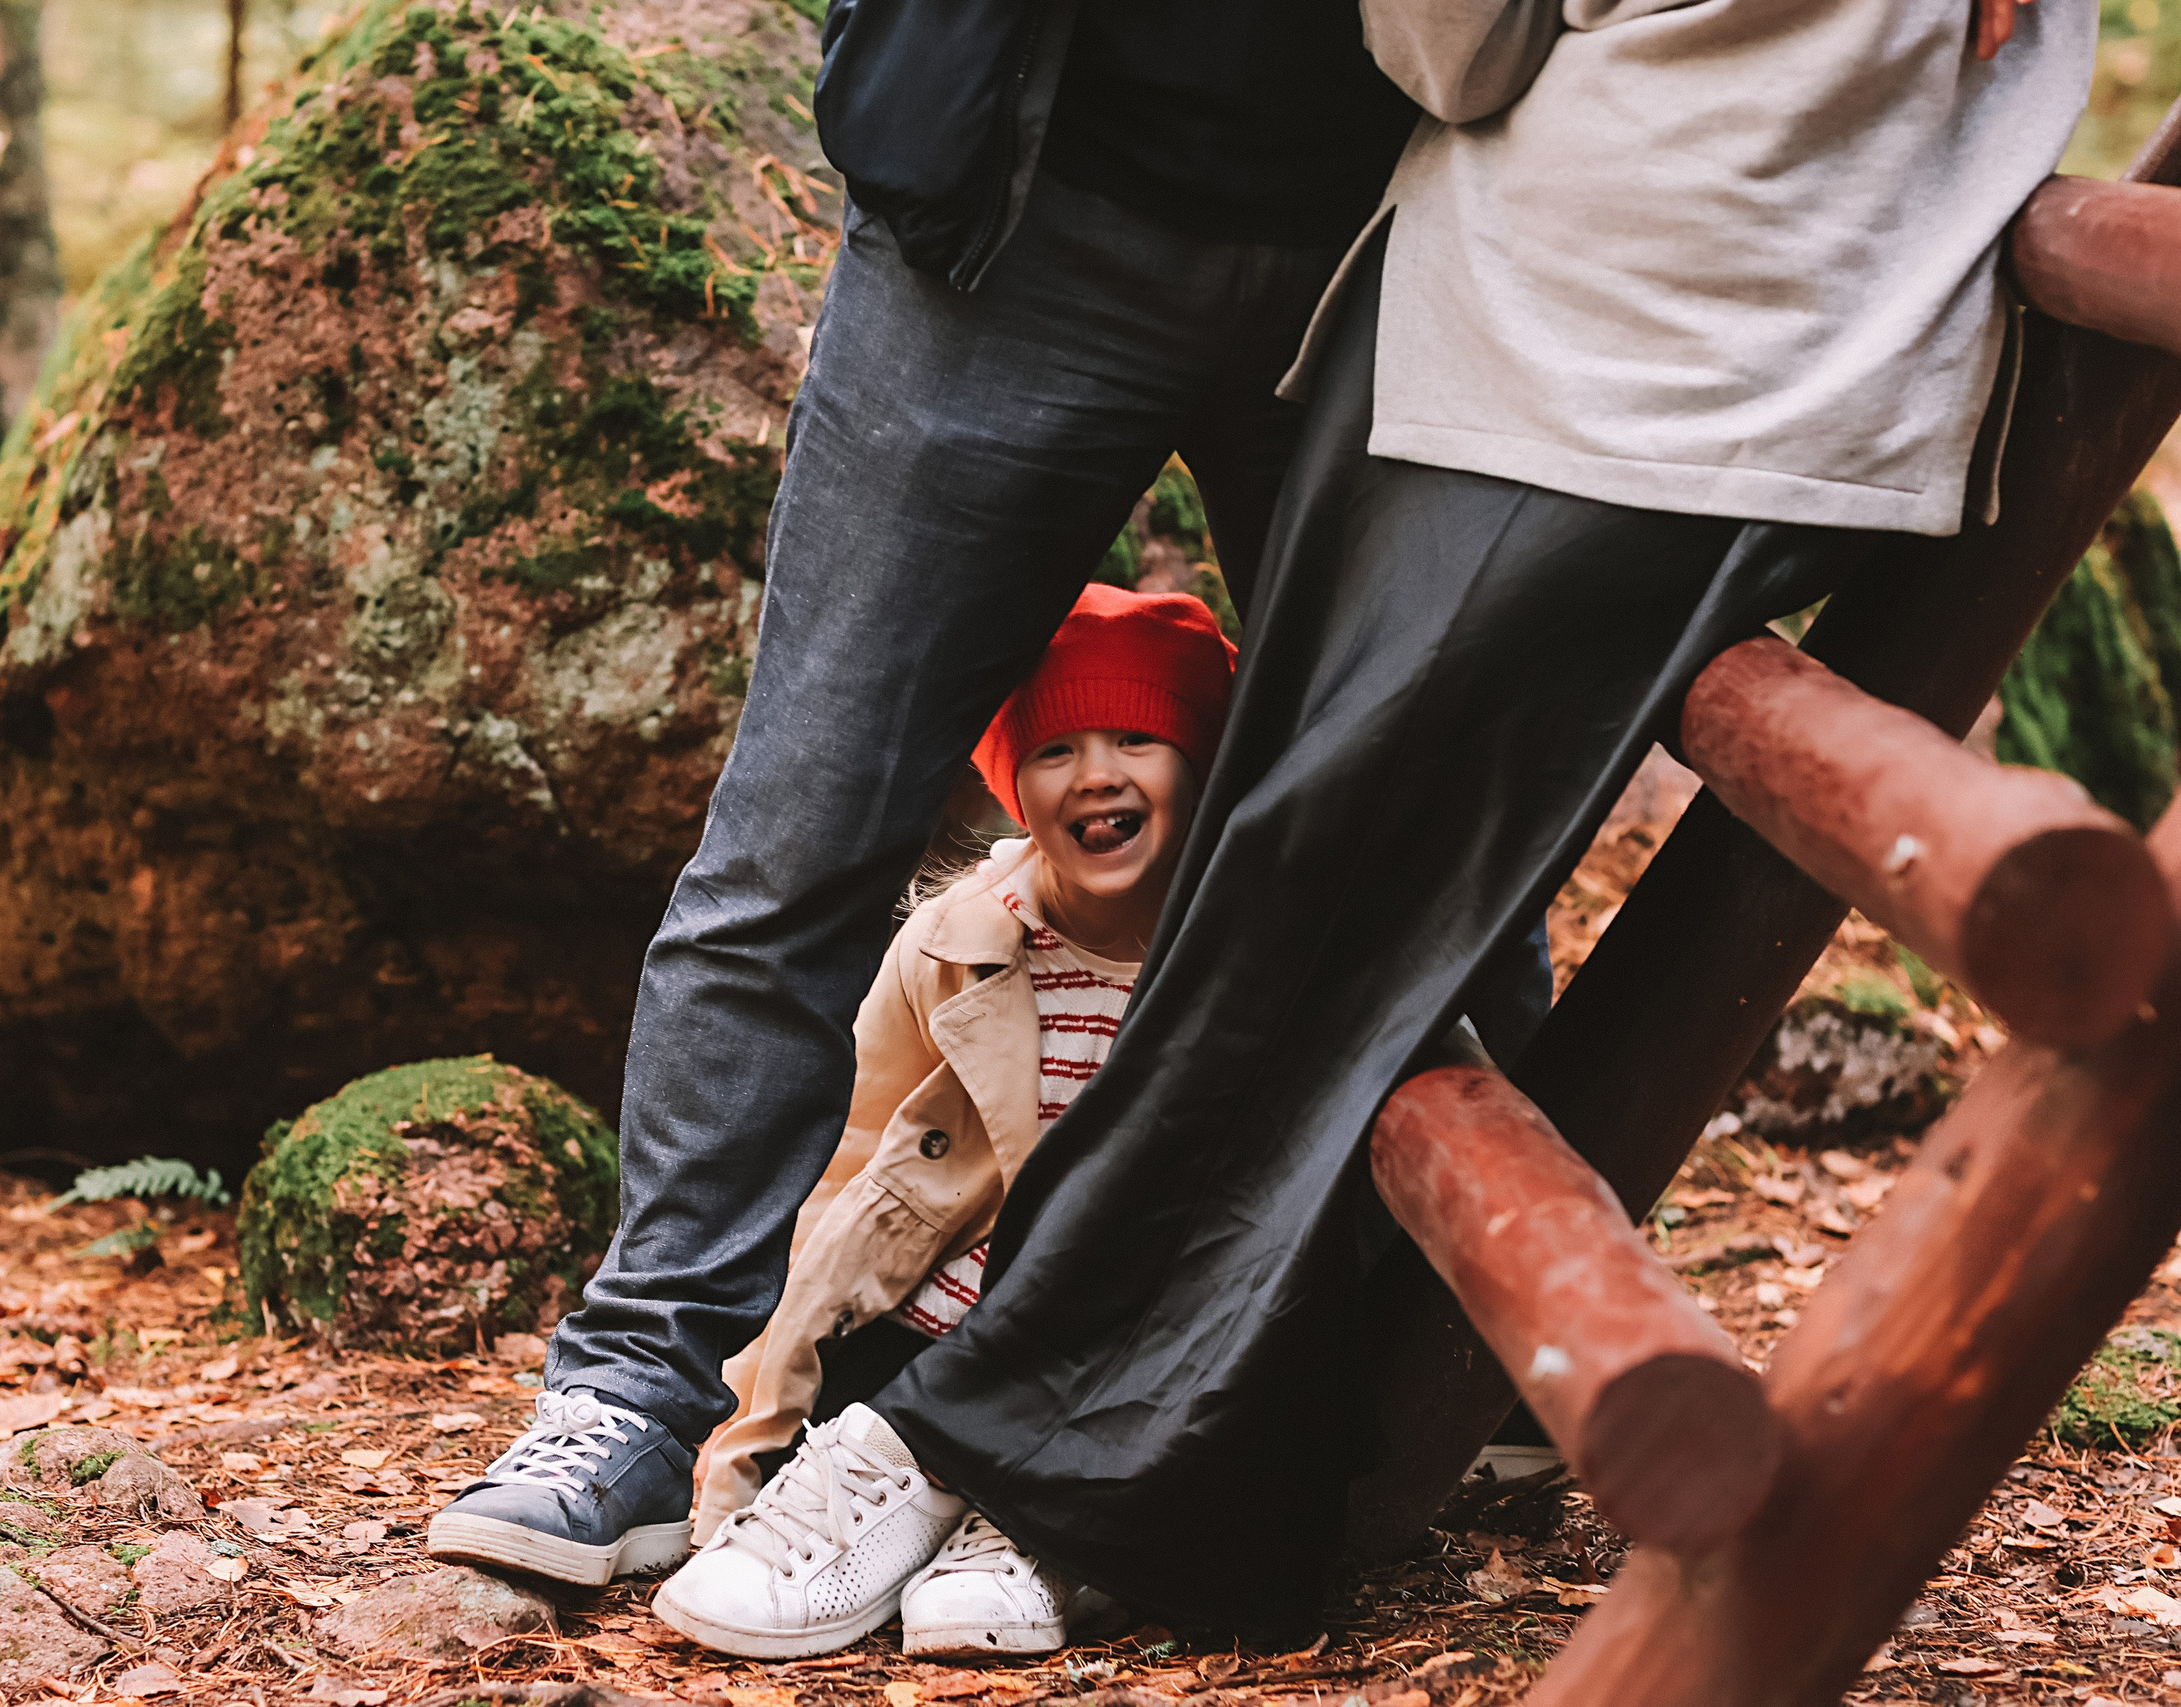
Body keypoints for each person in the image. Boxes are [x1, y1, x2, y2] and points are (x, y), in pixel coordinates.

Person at [645, 0, 2095, 1644]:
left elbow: (1448, 53)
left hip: (1569, 332)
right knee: (1305, 877)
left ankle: (1013, 1442)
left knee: (1314, 889)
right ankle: (1034, 1433)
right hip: (1735, 342)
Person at [422, 0, 1557, 1591]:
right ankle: (629, 1393)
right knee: (800, 834)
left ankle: (1491, 1351)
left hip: (1386, 222)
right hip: (1012, 220)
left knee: (1447, 816)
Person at [646, 585, 1232, 1659]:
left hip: (1126, 1346)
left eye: (1137, 738)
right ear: (1015, 789)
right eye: (1054, 749)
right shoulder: (953, 944)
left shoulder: (1244, 954)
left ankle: (1035, 1528)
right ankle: (886, 1499)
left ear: (1201, 765)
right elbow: (846, 1172)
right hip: (934, 1330)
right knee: (892, 1384)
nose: (1096, 772)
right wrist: (751, 1435)